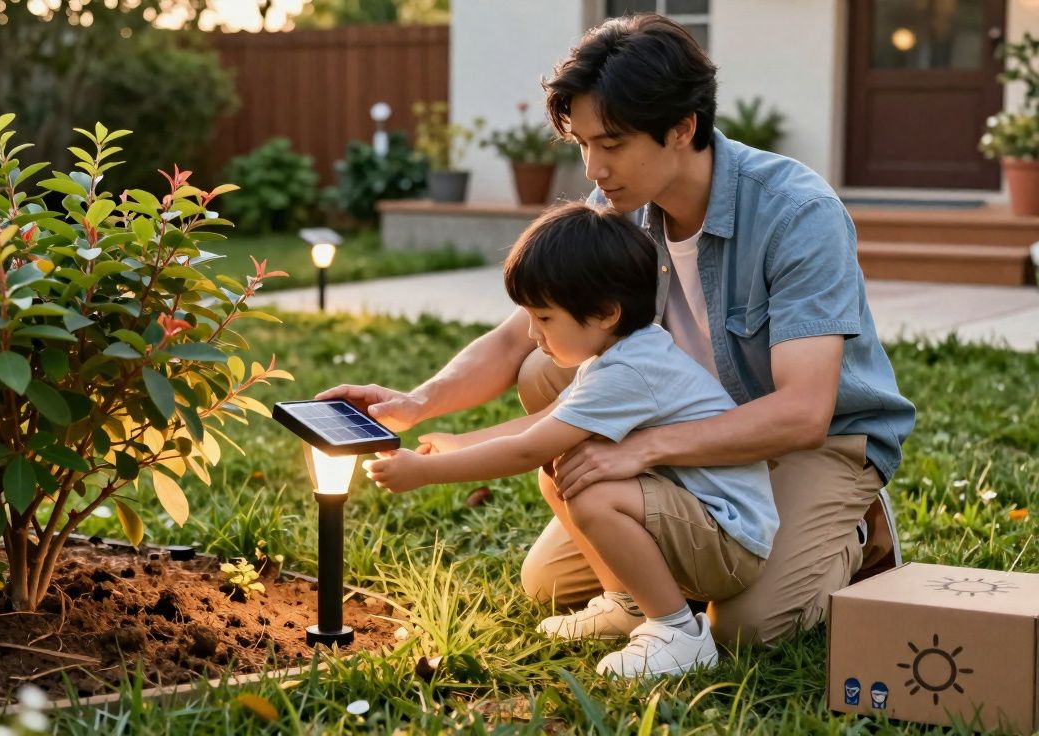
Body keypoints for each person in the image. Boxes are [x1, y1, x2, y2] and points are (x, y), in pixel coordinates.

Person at [320, 13, 915, 647]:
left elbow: (803, 414)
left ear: (682, 128)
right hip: (682, 419)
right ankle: (660, 576)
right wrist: (417, 403)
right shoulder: (619, 207)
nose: (593, 169)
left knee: (747, 628)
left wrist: (644, 450)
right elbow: (516, 336)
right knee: (549, 566)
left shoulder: (796, 213)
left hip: (812, 445)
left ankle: (855, 531)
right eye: (582, 143)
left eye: (611, 143)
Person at [365, 203, 778, 678]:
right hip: (701, 523)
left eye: (543, 317)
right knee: (562, 470)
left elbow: (528, 448)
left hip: (730, 545)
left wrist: (425, 472)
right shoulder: (620, 351)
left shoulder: (629, 371)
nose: (531, 333)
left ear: (605, 313)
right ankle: (627, 605)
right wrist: (459, 444)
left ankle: (678, 634)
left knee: (593, 493)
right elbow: (544, 426)